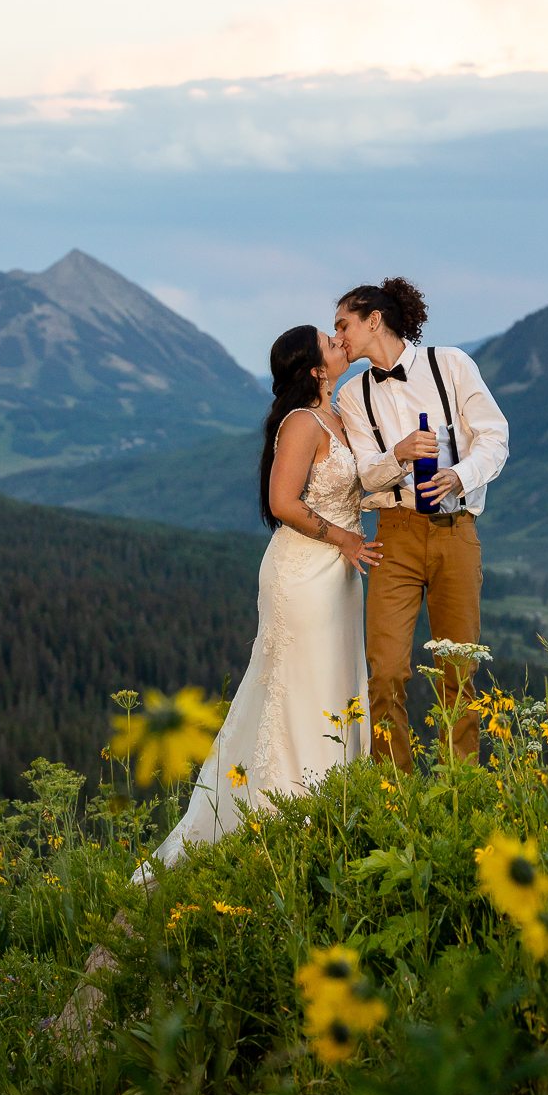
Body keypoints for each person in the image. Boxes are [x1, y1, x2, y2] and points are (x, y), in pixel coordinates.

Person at [145, 324, 377, 869]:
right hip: (303, 574)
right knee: (301, 686)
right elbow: (281, 502)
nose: (342, 342)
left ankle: (333, 804)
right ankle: (287, 814)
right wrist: (345, 537)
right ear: (316, 368)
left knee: (335, 680)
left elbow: (353, 487)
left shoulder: (338, 417)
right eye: (331, 340)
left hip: (339, 578)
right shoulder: (301, 422)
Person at [335, 278, 509, 772]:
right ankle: (396, 788)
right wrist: (399, 454)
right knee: (386, 670)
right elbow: (365, 472)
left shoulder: (450, 364)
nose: (340, 336)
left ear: (374, 319)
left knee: (460, 668)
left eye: (343, 324)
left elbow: (495, 436)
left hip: (457, 532)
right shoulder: (354, 395)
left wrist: (459, 475)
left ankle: (459, 782)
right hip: (396, 534)